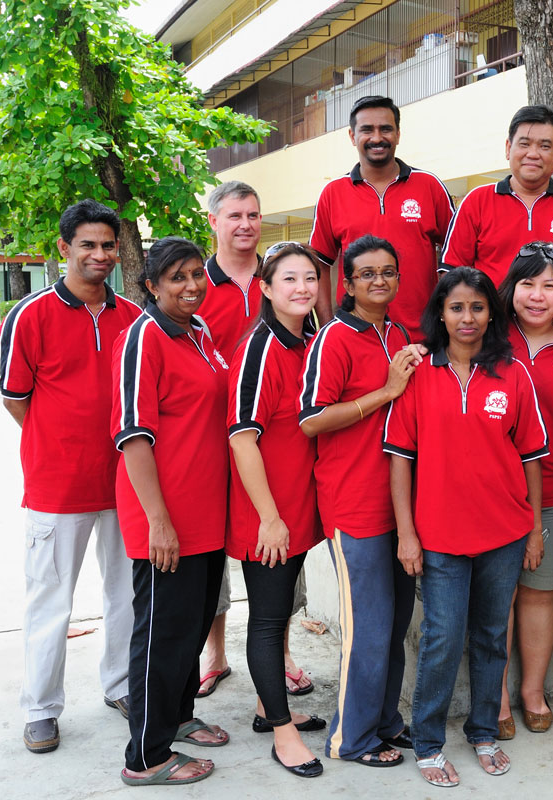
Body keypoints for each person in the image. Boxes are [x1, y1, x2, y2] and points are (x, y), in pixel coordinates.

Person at [386, 267, 548, 788]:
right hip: (438, 537)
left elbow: (531, 458)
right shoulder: (419, 373)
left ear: (491, 314)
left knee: (491, 637)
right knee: (442, 637)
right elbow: (400, 459)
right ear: (440, 312)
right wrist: (406, 533)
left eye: (477, 307)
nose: (467, 317)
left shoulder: (513, 373)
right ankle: (428, 743)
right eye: (456, 307)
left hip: (504, 533)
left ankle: (482, 731)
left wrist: (535, 529)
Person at [0, 199, 140, 754]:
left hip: (125, 482)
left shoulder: (133, 317)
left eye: (108, 245)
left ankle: (121, 686)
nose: (100, 254)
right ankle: (40, 708)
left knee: (126, 595)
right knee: (50, 601)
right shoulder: (29, 316)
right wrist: (58, 440)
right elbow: (16, 398)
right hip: (57, 487)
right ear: (65, 248)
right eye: (88, 245)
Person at [111, 236, 232, 786]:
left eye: (196, 274)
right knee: (160, 636)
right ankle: (146, 757)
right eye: (177, 277)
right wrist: (158, 521)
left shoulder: (199, 332)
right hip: (166, 519)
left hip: (206, 514)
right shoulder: (144, 337)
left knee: (190, 628)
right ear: (151, 285)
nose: (191, 286)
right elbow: (133, 436)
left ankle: (179, 716)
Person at [299, 234, 419, 768]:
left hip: (401, 505)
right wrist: (385, 392)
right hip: (355, 503)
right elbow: (311, 420)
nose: (379, 280)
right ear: (346, 283)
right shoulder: (334, 338)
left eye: (388, 271)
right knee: (368, 629)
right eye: (367, 273)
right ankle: (351, 739)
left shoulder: (398, 333)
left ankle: (384, 721)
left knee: (393, 626)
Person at [194, 181, 312, 701]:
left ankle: (279, 655)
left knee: (276, 556)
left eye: (253, 215)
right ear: (214, 221)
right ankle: (215, 653)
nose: (245, 224)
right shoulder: (197, 282)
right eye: (234, 215)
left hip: (271, 439)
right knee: (213, 555)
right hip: (212, 439)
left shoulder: (283, 276)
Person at [227, 242, 327, 778]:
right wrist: (268, 517)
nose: (302, 288)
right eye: (288, 279)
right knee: (267, 620)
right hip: (267, 514)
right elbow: (242, 437)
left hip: (297, 507)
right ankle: (282, 734)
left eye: (309, 277)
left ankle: (271, 708)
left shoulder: (309, 339)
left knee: (281, 611)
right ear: (265, 288)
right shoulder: (259, 347)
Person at [494, 242, 553, 739]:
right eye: (527, 283)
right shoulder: (488, 336)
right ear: (511, 289)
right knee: (498, 597)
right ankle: (496, 697)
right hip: (491, 494)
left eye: (549, 285)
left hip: (552, 490)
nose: (537, 295)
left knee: (539, 593)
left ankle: (532, 691)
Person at [443, 105, 553, 334]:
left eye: (544, 146)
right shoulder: (476, 201)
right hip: (489, 339)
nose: (533, 153)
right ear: (508, 148)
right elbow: (451, 273)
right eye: (524, 144)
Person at [309, 95, 455, 338]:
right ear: (352, 136)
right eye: (367, 130)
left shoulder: (430, 186)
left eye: (385, 129)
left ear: (398, 134)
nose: (377, 138)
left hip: (423, 340)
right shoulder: (333, 193)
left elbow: (456, 257)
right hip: (355, 339)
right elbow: (319, 265)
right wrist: (326, 326)